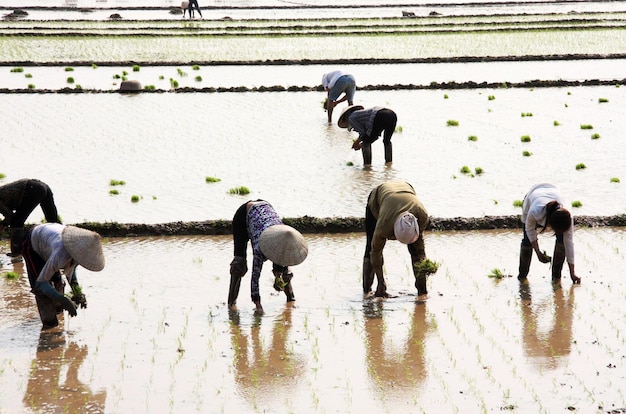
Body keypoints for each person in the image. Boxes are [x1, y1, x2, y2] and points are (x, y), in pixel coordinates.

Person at [228, 200, 308, 314]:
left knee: (284, 271)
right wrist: (258, 305)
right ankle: (231, 305)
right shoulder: (260, 248)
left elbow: (282, 263)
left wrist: (278, 276)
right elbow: (255, 278)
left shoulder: (284, 238)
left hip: (265, 210)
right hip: (244, 216)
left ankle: (291, 299)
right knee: (239, 265)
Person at [22, 223, 105, 329]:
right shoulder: (60, 254)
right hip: (33, 244)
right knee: (41, 292)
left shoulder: (76, 250)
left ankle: (59, 314)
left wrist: (77, 292)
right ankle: (50, 325)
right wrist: (64, 300)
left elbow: (71, 268)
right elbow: (41, 283)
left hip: (49, 243)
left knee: (58, 282)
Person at [362, 181, 430, 297]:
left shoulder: (422, 216)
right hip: (379, 196)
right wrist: (381, 282)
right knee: (370, 247)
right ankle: (367, 289)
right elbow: (375, 252)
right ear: (393, 232)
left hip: (406, 188)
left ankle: (421, 287)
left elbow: (420, 252)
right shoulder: (384, 225)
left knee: (416, 251)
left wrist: (422, 285)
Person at [518, 183, 580, 285]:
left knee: (562, 242)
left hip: (553, 190)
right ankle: (522, 277)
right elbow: (530, 231)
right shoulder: (535, 211)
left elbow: (569, 244)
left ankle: (556, 277)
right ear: (550, 224)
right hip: (532, 196)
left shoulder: (567, 216)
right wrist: (538, 252)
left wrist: (573, 273)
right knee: (527, 241)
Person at [0, 178, 61, 258]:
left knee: (17, 222)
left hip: (32, 189)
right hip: (41, 186)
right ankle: (63, 246)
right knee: (53, 220)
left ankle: (17, 253)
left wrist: (3, 225)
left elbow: (11, 217)